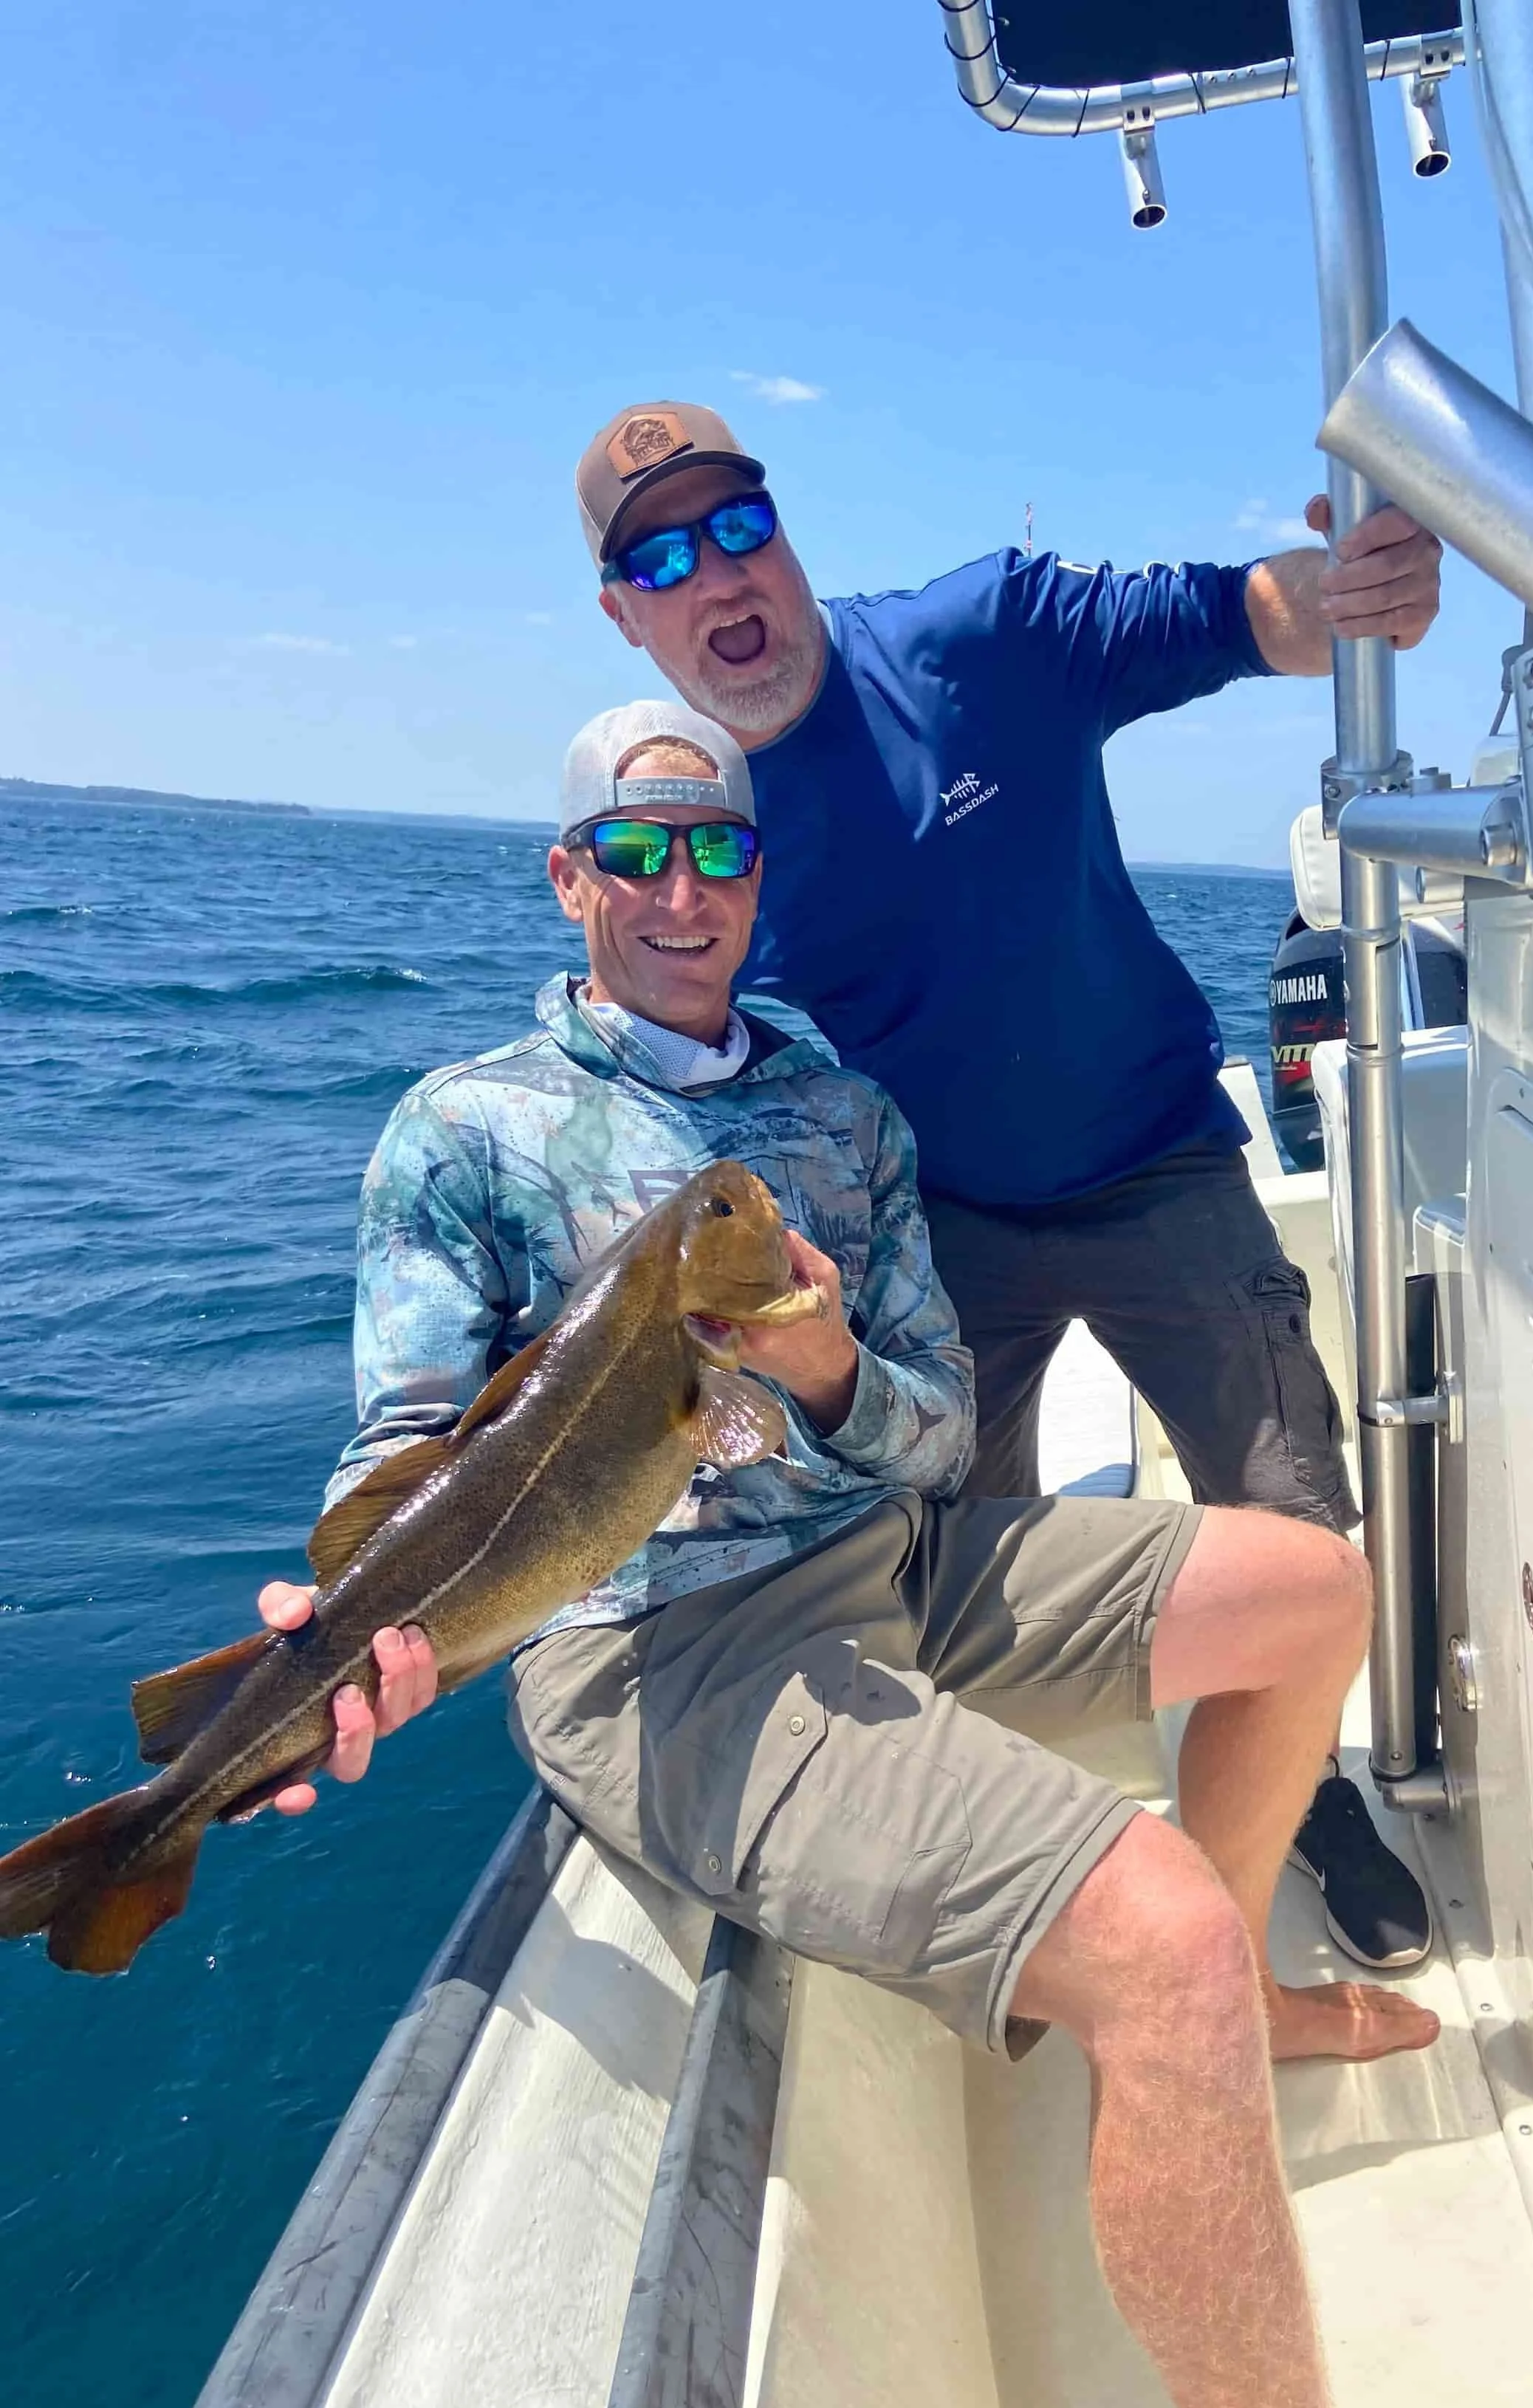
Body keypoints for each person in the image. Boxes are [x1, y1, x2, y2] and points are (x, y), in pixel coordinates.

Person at [258, 697, 1438, 2408]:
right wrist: (353, 1624)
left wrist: (818, 1367)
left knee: (1312, 1586)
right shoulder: (465, 1135)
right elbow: (404, 1441)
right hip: (663, 1651)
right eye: (637, 851)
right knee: (1163, 1939)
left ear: (758, 879)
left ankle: (1248, 2014)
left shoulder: (838, 1112)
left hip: (890, 1560)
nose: (680, 889)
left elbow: (935, 1431)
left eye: (717, 849)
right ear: (570, 876)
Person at [571, 400, 1442, 1972]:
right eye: (661, 557)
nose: (715, 574)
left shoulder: (980, 637)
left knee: (1295, 1509)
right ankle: (1035, 1846)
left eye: (734, 525)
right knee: (945, 1553)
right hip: (936, 1230)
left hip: (1153, 1157)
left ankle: (1298, 1792)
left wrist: (1348, 599)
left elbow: (1232, 616)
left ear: (782, 533)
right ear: (626, 613)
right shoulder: (699, 842)